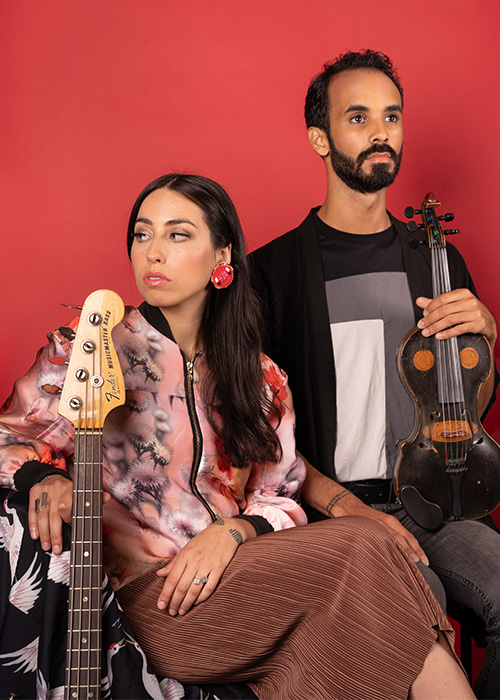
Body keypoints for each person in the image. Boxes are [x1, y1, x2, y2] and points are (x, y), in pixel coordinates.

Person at [0, 173, 475, 700]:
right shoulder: (91, 352)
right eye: (142, 234)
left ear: (221, 256)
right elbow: (7, 438)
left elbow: (280, 493)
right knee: (368, 546)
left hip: (237, 581)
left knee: (383, 591)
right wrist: (42, 474)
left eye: (177, 235)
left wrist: (231, 534)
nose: (153, 252)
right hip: (150, 601)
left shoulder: (259, 377)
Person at [250, 50, 500, 699]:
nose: (380, 131)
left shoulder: (436, 258)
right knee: (421, 623)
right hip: (338, 514)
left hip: (438, 502)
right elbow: (257, 436)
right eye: (358, 117)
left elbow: (468, 408)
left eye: (391, 115)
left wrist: (489, 338)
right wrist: (346, 510)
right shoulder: (273, 274)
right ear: (319, 136)